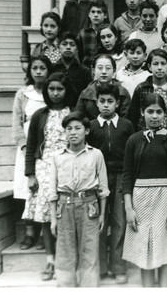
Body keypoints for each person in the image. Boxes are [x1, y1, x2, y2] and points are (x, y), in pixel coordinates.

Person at [122, 93, 167, 287]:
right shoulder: (134, 140)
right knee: (145, 246)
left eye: (159, 112)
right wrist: (128, 208)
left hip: (165, 198)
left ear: (165, 115)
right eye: (150, 111)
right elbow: (127, 175)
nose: (154, 116)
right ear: (142, 113)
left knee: (164, 245)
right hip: (140, 198)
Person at [23, 72, 76, 281]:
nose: (55, 93)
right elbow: (31, 146)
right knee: (47, 215)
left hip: (70, 166)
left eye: (60, 89)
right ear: (46, 91)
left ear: (66, 91)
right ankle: (50, 260)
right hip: (44, 167)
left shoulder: (73, 112)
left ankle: (67, 260)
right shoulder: (39, 115)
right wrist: (30, 174)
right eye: (52, 89)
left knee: (68, 213)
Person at [48, 111, 109, 287]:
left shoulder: (96, 154)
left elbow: (103, 190)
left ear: (87, 131)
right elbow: (52, 191)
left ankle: (88, 287)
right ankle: (66, 286)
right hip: (64, 206)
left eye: (77, 128)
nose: (73, 132)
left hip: (89, 206)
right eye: (68, 129)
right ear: (64, 132)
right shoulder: (57, 156)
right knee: (65, 249)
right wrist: (53, 219)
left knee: (89, 249)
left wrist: (102, 215)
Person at [86, 84, 135, 284]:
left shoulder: (126, 125)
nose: (106, 105)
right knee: (98, 222)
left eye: (110, 101)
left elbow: (131, 154)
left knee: (119, 222)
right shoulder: (91, 126)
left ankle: (118, 266)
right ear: (97, 103)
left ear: (118, 103)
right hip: (97, 180)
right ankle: (100, 266)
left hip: (121, 177)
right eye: (102, 101)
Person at [13, 56, 53, 250]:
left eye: (42, 68)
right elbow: (17, 122)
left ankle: (46, 232)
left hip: (46, 149)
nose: (38, 71)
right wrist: (23, 146)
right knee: (29, 188)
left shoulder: (52, 92)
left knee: (46, 188)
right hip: (27, 148)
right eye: (34, 68)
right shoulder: (23, 93)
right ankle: (30, 231)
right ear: (30, 72)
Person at [128, 49, 167, 131]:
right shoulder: (141, 88)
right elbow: (133, 116)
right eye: (155, 64)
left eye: (163, 64)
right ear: (149, 66)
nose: (159, 68)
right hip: (145, 133)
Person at [75, 54, 131, 120]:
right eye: (100, 68)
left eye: (108, 68)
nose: (104, 72)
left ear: (114, 71)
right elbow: (79, 119)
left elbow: (126, 120)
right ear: (93, 71)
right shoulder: (85, 94)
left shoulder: (122, 93)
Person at [52, 32, 93, 100]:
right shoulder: (52, 69)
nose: (68, 47)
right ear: (58, 47)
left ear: (77, 49)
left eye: (72, 45)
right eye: (64, 44)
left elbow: (88, 95)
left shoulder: (85, 71)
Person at [78, 0, 110, 68]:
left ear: (105, 15)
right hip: (87, 70)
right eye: (93, 12)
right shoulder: (83, 33)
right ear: (89, 14)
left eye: (99, 12)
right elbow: (79, 55)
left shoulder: (110, 33)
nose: (95, 15)